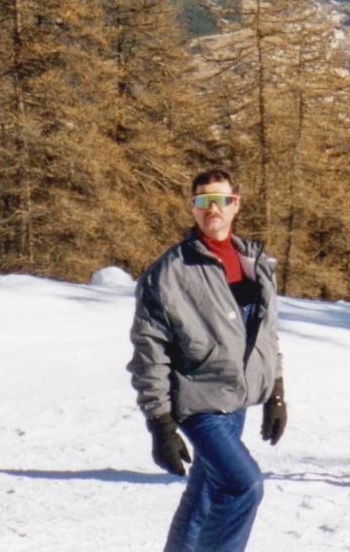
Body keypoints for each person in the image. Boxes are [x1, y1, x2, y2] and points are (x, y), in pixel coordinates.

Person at [129, 169, 287, 552]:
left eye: (220, 200)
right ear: (193, 208)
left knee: (203, 493)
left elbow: (266, 335)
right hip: (198, 402)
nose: (211, 208)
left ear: (236, 205)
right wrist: (160, 423)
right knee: (242, 484)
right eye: (202, 201)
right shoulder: (168, 273)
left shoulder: (255, 262)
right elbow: (150, 351)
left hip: (237, 401)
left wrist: (275, 393)